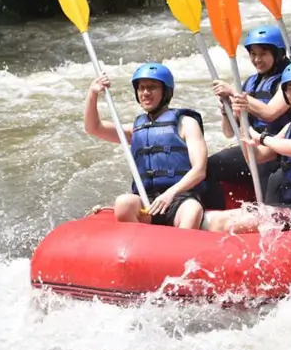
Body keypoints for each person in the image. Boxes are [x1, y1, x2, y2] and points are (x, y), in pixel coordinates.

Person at [206, 61, 291, 234]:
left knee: (228, 224)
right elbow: (255, 157)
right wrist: (242, 118)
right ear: (286, 94)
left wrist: (263, 138)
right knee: (218, 220)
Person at [84, 63, 207, 229]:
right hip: (147, 202)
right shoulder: (135, 130)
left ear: (166, 92)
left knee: (192, 210)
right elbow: (93, 127)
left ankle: (182, 243)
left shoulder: (186, 123)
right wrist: (93, 93)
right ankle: (141, 241)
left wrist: (170, 194)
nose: (145, 93)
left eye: (152, 87)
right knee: (124, 203)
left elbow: (199, 171)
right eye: (141, 88)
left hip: (180, 198)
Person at [203, 25, 291, 208]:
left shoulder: (290, 80)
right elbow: (229, 133)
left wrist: (233, 91)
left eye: (263, 54)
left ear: (278, 53)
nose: (257, 59)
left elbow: (270, 113)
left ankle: (269, 210)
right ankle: (217, 213)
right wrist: (226, 111)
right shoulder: (251, 82)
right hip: (251, 147)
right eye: (253, 54)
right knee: (209, 167)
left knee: (263, 169)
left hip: (278, 149)